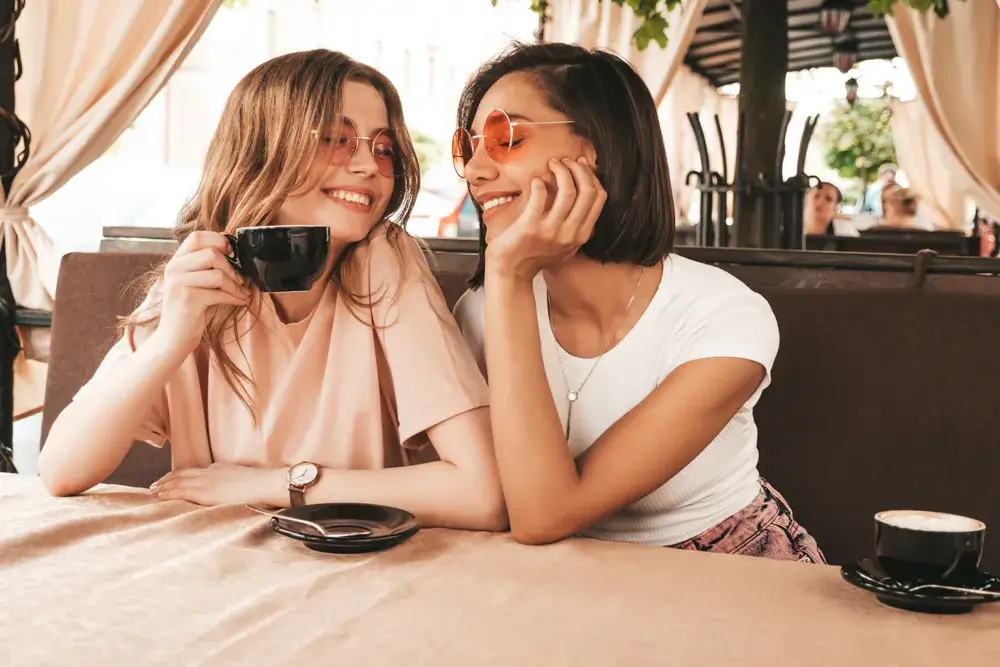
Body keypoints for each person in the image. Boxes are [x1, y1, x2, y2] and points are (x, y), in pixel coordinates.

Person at [38, 50, 506, 532]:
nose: (369, 165)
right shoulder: (202, 276)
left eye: (383, 148)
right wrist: (171, 340)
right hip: (216, 566)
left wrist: (279, 483)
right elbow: (60, 470)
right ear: (262, 149)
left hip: (354, 567)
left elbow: (482, 494)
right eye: (334, 139)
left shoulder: (383, 259)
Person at [451, 42, 825, 562]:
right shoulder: (483, 309)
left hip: (728, 569)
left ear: (594, 148)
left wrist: (510, 277)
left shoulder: (724, 316)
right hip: (553, 577)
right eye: (466, 146)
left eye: (504, 137)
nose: (474, 170)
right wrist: (508, 283)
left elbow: (545, 515)